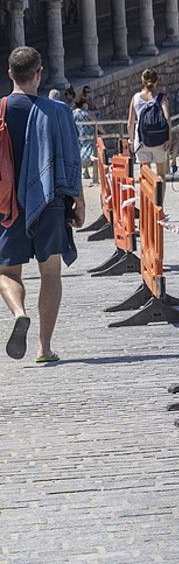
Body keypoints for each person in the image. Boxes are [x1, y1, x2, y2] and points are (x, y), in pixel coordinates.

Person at [0, 47, 84, 364]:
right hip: (49, 202)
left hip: (7, 206)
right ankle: (43, 347)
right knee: (50, 273)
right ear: (39, 73)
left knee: (7, 271)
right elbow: (72, 161)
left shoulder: (0, 110)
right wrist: (78, 202)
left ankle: (19, 312)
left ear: (10, 74)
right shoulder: (58, 112)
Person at [127, 69, 173, 179]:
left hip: (142, 140)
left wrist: (131, 141)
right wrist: (169, 138)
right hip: (160, 139)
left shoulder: (136, 98)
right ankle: (160, 196)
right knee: (161, 174)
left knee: (146, 175)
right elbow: (167, 119)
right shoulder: (162, 98)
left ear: (142, 81)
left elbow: (130, 122)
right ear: (156, 81)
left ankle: (149, 196)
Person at [72, 97, 95, 181]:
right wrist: (104, 131)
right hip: (88, 136)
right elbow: (96, 123)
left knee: (80, 152)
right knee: (87, 154)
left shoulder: (72, 113)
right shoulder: (87, 113)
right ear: (83, 104)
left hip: (77, 136)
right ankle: (84, 170)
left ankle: (85, 171)